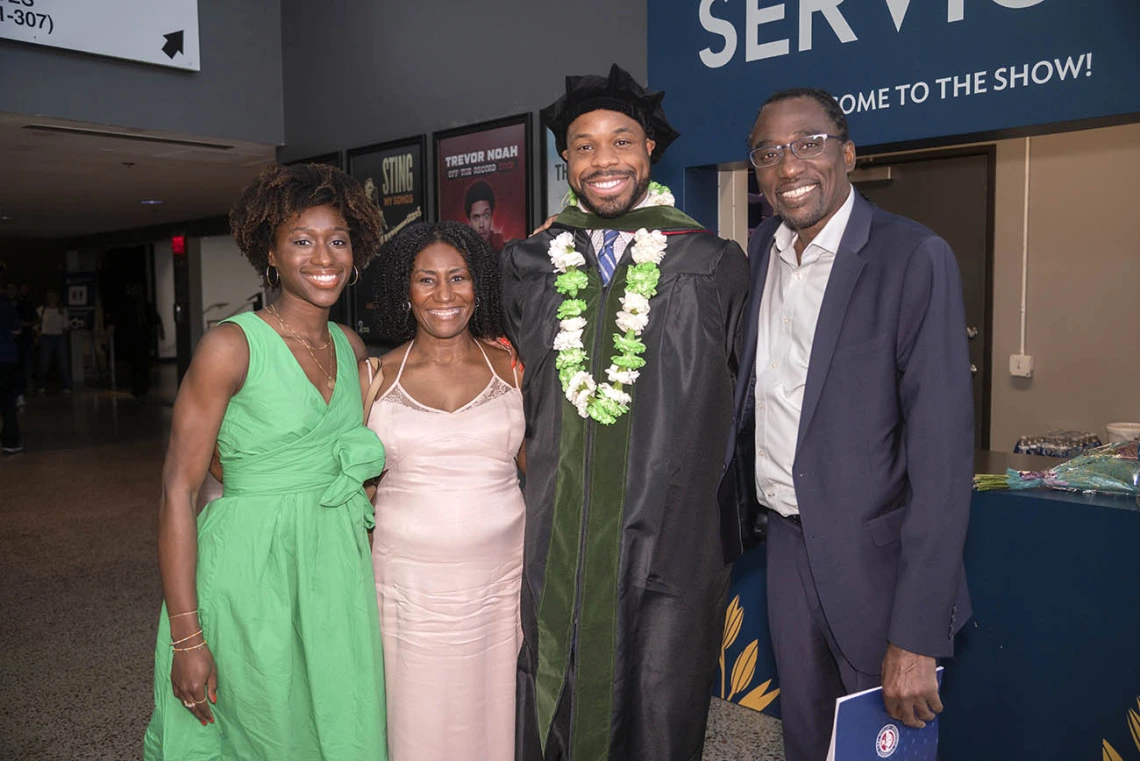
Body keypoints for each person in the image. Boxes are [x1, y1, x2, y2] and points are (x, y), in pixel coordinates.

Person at [500, 64, 750, 761]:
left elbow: (745, 405)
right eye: (584, 146)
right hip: (561, 532)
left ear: (648, 153)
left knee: (660, 701)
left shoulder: (710, 261)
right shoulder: (529, 264)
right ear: (566, 163)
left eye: (620, 141)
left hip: (669, 539)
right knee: (556, 687)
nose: (603, 159)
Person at [720, 88, 974, 761]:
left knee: (882, 750)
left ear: (849, 154)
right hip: (785, 548)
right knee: (808, 739)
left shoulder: (911, 258)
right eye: (769, 153)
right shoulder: (754, 259)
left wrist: (918, 630)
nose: (788, 165)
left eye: (808, 143)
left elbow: (943, 463)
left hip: (877, 567)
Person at [143, 163, 389, 761]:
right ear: (271, 255)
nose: (323, 256)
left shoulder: (350, 345)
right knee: (261, 727)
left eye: (337, 240)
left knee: (337, 721)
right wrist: (187, 637)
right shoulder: (230, 346)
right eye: (301, 241)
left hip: (333, 571)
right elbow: (179, 490)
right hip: (250, 574)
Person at [362, 220, 524, 761]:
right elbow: (357, 490)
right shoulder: (376, 376)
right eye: (426, 280)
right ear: (404, 291)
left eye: (458, 278)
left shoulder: (515, 368)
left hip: (501, 585)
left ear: (479, 285)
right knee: (415, 717)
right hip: (406, 589)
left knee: (496, 713)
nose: (444, 295)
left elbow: (545, 471)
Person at [36, 290, 71, 393]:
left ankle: (66, 386)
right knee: (44, 363)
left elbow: (65, 326)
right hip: (46, 337)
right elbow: (36, 324)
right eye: (50, 296)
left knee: (63, 363)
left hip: (59, 337)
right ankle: (41, 385)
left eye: (54, 296)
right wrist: (39, 335)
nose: (52, 298)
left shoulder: (62, 310)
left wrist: (62, 336)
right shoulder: (41, 310)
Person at [0, 286, 22, 454]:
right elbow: (17, 330)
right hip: (6, 358)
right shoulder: (6, 305)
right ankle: (11, 442)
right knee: (8, 402)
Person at [465, 180, 506, 253]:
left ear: (491, 217)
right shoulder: (463, 255)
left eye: (486, 216)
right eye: (476, 217)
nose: (481, 225)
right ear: (469, 222)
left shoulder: (504, 251)